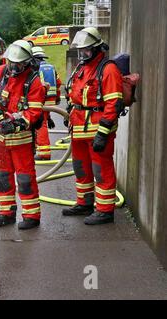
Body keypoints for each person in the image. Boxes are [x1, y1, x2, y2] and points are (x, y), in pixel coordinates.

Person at [62, 27, 123, 225]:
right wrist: (69, 113)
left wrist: (103, 133)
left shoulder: (108, 69)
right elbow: (74, 94)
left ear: (97, 48)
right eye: (81, 51)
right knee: (81, 168)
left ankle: (105, 210)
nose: (83, 55)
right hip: (78, 129)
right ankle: (85, 203)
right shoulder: (82, 67)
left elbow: (113, 103)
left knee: (101, 169)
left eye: (87, 51)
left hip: (97, 130)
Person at [0, 40, 45, 230]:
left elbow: (34, 113)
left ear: (27, 62)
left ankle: (31, 216)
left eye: (18, 64)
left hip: (23, 140)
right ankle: (6, 213)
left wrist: (16, 124)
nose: (13, 67)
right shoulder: (0, 73)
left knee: (25, 178)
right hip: (3, 140)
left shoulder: (34, 81)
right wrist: (0, 117)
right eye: (11, 63)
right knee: (2, 176)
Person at [31, 46, 62, 160]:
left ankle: (44, 153)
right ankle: (35, 148)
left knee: (40, 125)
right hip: (51, 100)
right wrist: (57, 98)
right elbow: (58, 83)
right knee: (41, 122)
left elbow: (35, 86)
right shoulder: (51, 67)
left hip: (41, 100)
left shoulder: (35, 68)